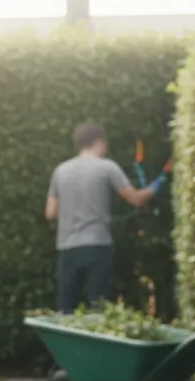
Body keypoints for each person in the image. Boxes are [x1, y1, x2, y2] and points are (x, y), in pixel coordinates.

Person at [44, 123, 164, 315]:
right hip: (97, 246)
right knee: (98, 309)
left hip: (67, 249)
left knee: (65, 311)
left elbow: (50, 212)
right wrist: (158, 185)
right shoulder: (107, 167)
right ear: (99, 142)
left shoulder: (60, 171)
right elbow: (136, 199)